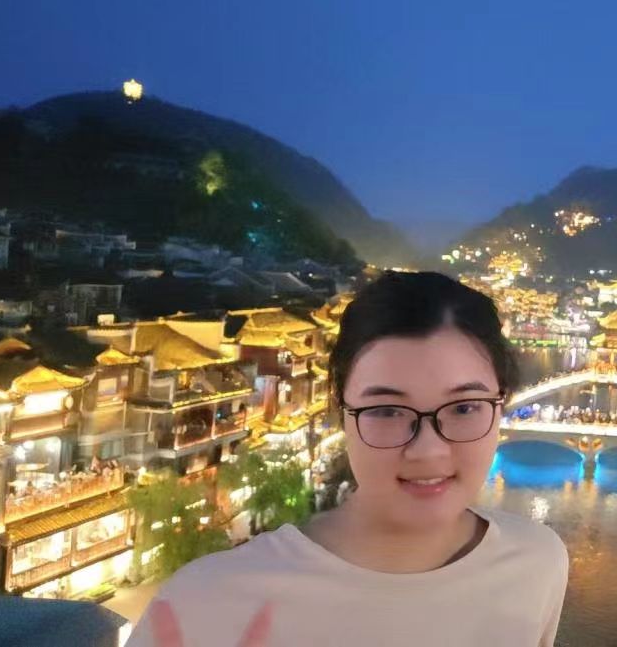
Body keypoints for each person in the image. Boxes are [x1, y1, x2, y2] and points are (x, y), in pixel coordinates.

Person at [127, 272, 570, 646]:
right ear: (341, 410)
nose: (428, 450)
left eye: (465, 407)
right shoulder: (208, 604)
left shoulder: (537, 565)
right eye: (387, 411)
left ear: (501, 404)